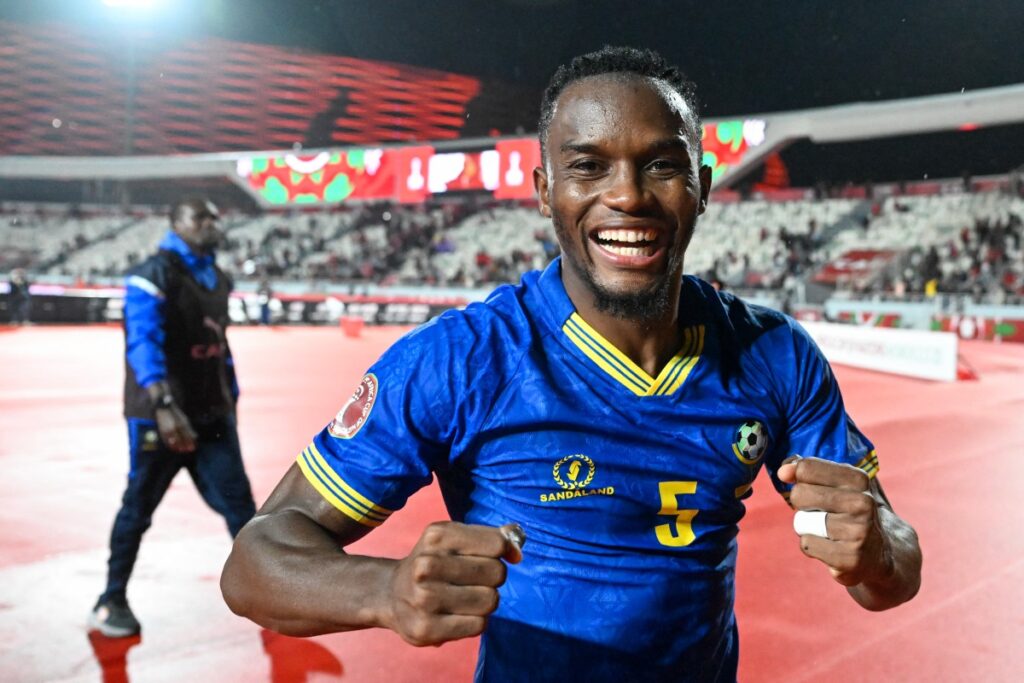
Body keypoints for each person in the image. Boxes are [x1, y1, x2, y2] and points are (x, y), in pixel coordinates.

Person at [220, 47, 922, 682]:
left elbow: (894, 568)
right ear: (543, 190)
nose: (628, 195)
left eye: (662, 164)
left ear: (702, 186)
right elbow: (254, 561)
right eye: (589, 166)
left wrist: (876, 551)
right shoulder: (462, 359)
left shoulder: (775, 352)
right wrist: (383, 590)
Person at [90, 198, 257, 638]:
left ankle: (267, 592)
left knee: (242, 508)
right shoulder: (152, 276)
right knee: (138, 508)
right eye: (199, 217)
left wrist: (231, 397)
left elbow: (220, 347)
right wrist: (164, 405)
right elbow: (142, 343)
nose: (211, 223)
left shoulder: (218, 277)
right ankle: (110, 600)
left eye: (214, 216)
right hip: (160, 418)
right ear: (176, 223)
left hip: (213, 415)